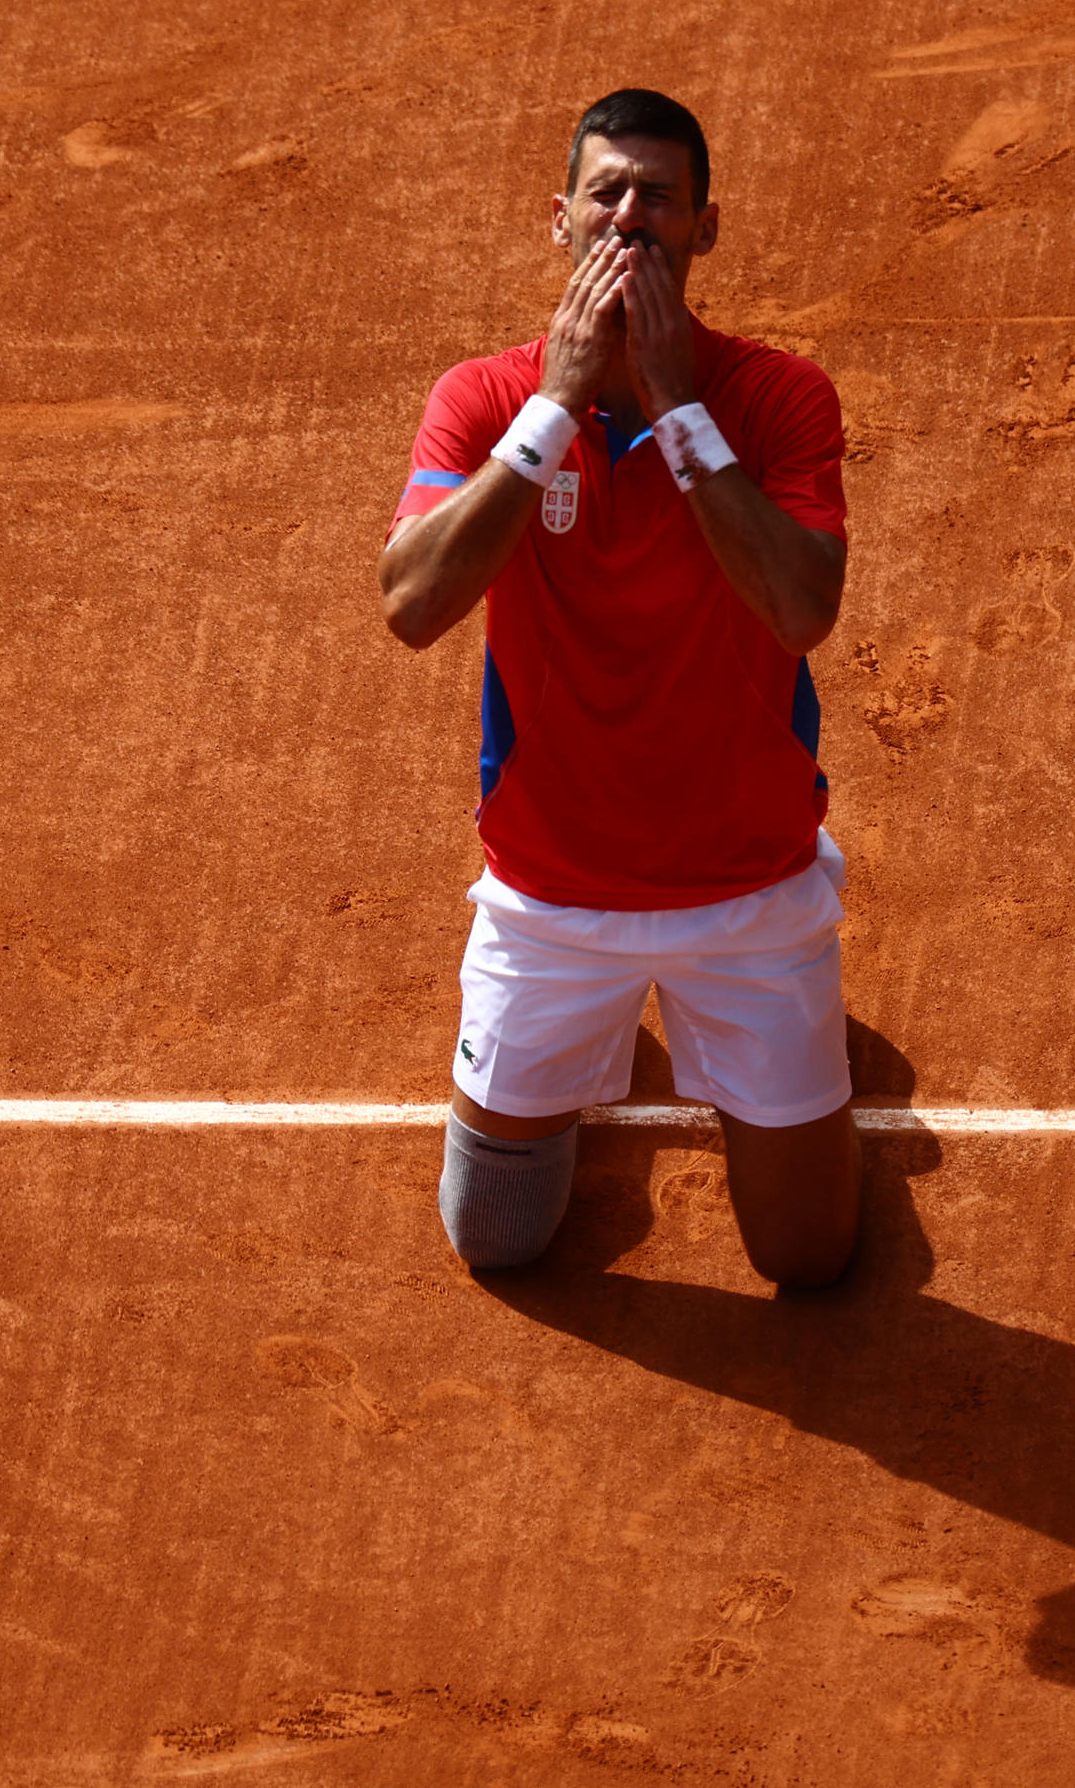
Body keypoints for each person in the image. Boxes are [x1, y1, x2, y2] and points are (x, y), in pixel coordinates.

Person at [377, 88, 859, 1286]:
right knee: (494, 1241)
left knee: (808, 1263)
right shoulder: (484, 398)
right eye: (608, 195)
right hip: (549, 894)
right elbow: (413, 607)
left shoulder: (780, 397)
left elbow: (802, 610)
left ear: (706, 228)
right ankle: (607, 1059)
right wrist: (554, 409)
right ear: (564, 220)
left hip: (748, 889)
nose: (631, 220)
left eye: (660, 199)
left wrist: (680, 409)